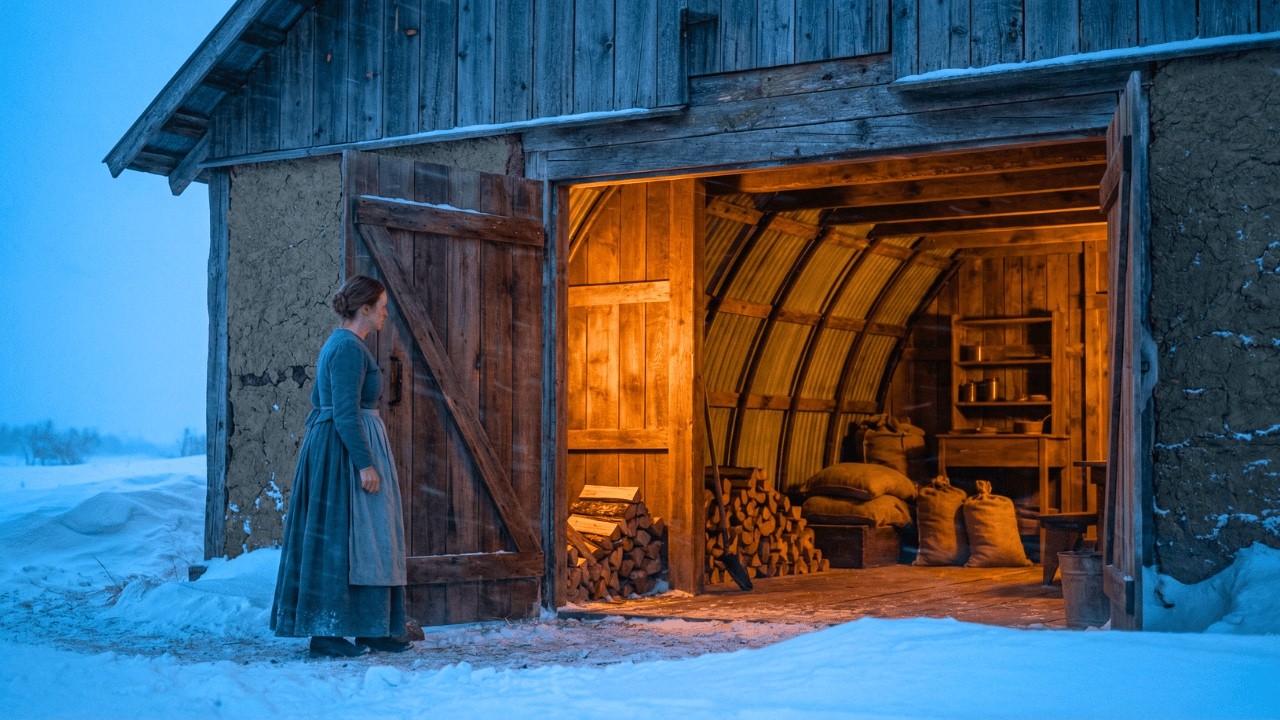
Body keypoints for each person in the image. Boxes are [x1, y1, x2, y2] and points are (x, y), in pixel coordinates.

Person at [271, 274, 410, 658]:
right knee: (343, 540)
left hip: (340, 446)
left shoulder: (348, 344)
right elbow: (346, 412)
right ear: (363, 309)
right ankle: (327, 632)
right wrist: (365, 465)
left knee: (366, 540)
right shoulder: (348, 348)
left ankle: (370, 628)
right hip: (340, 454)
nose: (384, 315)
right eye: (380, 308)